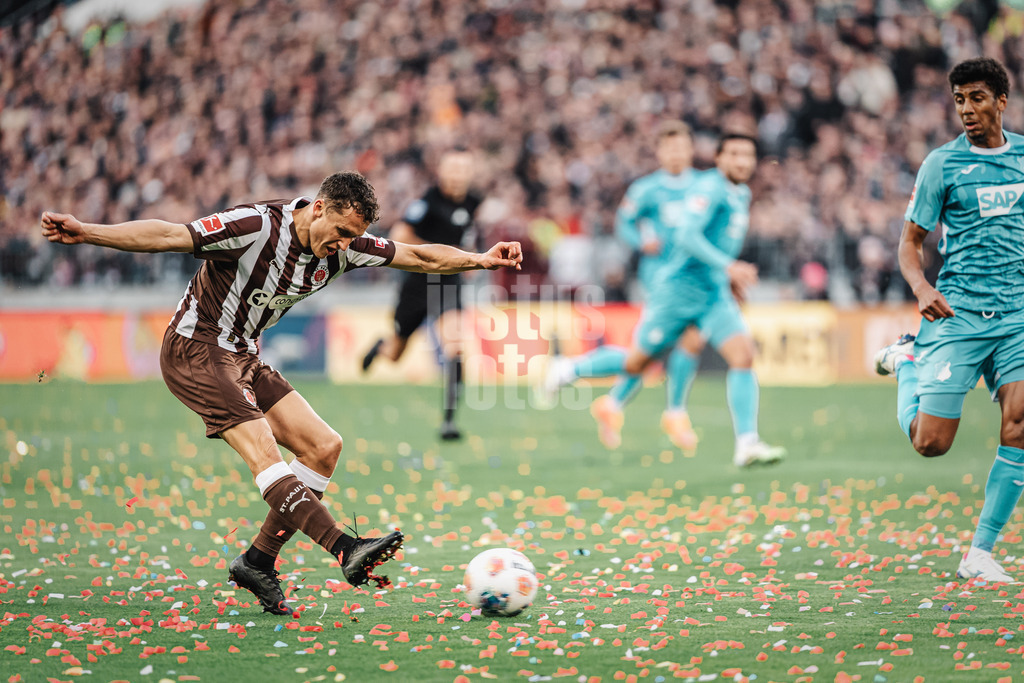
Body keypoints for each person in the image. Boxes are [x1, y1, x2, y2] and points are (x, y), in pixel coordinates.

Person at [41, 171, 523, 614]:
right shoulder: (254, 226)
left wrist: (481, 259)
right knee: (265, 454)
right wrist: (88, 232)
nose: (344, 245)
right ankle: (344, 547)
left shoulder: (346, 247)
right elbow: (170, 235)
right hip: (197, 348)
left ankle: (257, 561)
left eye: (353, 237)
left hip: (243, 354)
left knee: (323, 447)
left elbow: (417, 256)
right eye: (341, 232)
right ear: (318, 208)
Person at [540, 133, 785, 467]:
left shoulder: (739, 192)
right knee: (637, 363)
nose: (742, 162)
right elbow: (683, 235)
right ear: (719, 158)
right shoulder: (701, 188)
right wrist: (726, 265)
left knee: (742, 355)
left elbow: (719, 239)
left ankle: (745, 442)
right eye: (734, 154)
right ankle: (570, 369)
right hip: (676, 289)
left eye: (748, 155)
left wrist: (727, 276)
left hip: (713, 292)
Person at [874, 57, 1024, 583]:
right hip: (957, 311)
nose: (967, 109)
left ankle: (980, 553)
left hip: (1017, 315)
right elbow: (910, 243)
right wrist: (921, 288)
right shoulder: (941, 164)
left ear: (1001, 100)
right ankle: (906, 360)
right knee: (930, 443)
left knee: (1021, 422)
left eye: (977, 97)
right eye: (960, 100)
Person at [361, 148, 483, 441]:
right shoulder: (427, 202)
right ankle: (381, 346)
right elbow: (399, 236)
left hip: (448, 282)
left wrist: (467, 258)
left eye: (463, 169)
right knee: (395, 355)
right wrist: (438, 255)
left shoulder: (473, 201)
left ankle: (449, 422)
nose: (457, 175)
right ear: (442, 172)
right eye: (452, 168)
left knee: (455, 346)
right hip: (417, 284)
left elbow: (466, 234)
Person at [611, 120, 707, 450]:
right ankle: (674, 412)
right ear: (660, 152)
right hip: (660, 277)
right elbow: (623, 222)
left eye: (681, 146)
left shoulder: (705, 186)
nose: (676, 153)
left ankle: (614, 403)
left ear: (691, 149)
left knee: (659, 346)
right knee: (684, 339)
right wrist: (641, 242)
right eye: (670, 147)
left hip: (693, 276)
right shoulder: (646, 189)